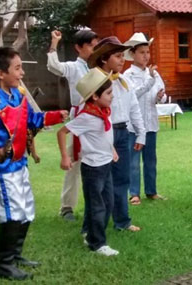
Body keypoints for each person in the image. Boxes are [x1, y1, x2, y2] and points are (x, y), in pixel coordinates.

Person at [0, 47, 66, 280]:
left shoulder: (18, 96)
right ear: (1, 73)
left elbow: (31, 120)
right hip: (1, 168)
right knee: (12, 212)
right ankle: (2, 264)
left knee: (26, 210)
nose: (22, 73)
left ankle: (14, 255)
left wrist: (55, 115)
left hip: (19, 162)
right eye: (17, 68)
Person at [57, 68, 121, 256]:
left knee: (108, 202)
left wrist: (112, 150)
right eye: (108, 93)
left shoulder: (104, 112)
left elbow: (105, 135)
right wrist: (65, 156)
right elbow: (62, 132)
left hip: (106, 164)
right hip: (93, 168)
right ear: (94, 96)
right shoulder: (87, 117)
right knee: (97, 205)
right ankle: (97, 243)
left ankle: (91, 234)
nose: (112, 96)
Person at [88, 36, 145, 233]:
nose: (123, 60)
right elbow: (83, 110)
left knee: (122, 179)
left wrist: (141, 133)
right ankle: (92, 227)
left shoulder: (124, 80)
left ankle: (122, 221)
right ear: (104, 58)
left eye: (123, 56)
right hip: (101, 133)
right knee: (99, 183)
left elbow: (134, 108)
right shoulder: (93, 80)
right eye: (118, 56)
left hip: (122, 132)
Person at [47, 29, 99, 222]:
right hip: (80, 119)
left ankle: (96, 203)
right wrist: (54, 43)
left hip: (98, 118)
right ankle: (67, 206)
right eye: (91, 46)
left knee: (98, 161)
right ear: (78, 47)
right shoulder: (73, 67)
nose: (94, 49)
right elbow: (54, 66)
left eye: (96, 46)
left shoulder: (98, 68)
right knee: (74, 163)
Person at [123, 32, 168, 205]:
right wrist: (149, 81)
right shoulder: (128, 75)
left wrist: (160, 96)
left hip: (151, 123)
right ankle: (134, 193)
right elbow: (132, 95)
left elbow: (162, 96)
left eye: (147, 52)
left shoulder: (154, 74)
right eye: (142, 52)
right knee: (134, 161)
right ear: (133, 54)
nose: (146, 56)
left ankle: (151, 191)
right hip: (134, 126)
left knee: (151, 160)